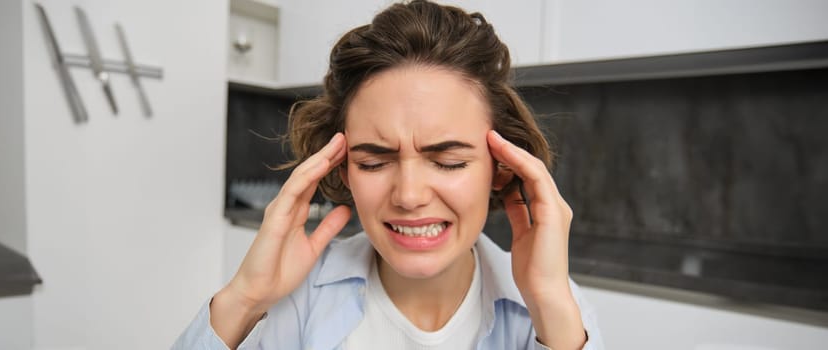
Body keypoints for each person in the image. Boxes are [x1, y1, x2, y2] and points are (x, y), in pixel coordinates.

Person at [174, 1, 603, 349]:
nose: (410, 195)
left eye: (449, 161)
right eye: (374, 162)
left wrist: (551, 311)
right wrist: (244, 298)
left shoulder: (554, 306)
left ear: (501, 168)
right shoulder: (299, 298)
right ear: (341, 166)